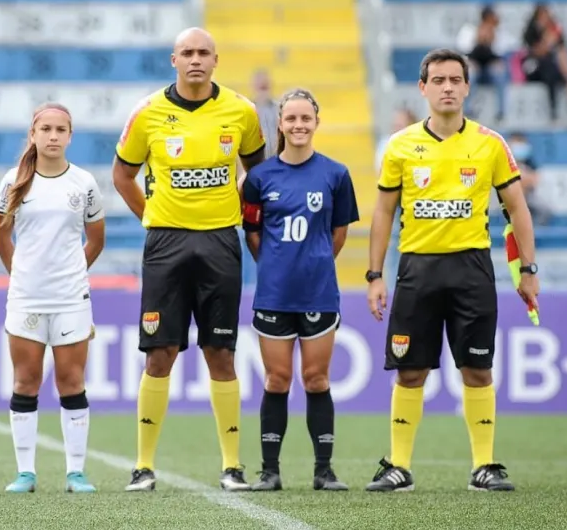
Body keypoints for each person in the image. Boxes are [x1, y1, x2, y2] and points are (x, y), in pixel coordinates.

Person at [365, 48, 539, 492]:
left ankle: (485, 465)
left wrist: (528, 269)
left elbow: (517, 208)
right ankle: (398, 466)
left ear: (466, 87)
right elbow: (383, 212)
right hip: (417, 270)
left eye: (454, 80)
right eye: (437, 80)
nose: (447, 87)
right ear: (422, 88)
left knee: (477, 370)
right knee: (410, 371)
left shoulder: (490, 143)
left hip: (471, 270)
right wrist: (374, 275)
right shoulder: (401, 146)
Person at [112, 27, 266, 492]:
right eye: (187, 53)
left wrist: (245, 217)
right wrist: (152, 218)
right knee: (159, 354)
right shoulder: (148, 112)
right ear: (173, 60)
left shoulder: (242, 111)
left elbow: (260, 176)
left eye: (203, 53)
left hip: (221, 242)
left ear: (216, 60)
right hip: (166, 246)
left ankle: (232, 466)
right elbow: (122, 176)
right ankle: (143, 466)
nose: (195, 60)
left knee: (221, 351)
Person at [241, 89, 359, 492]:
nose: (298, 125)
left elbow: (338, 234)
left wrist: (314, 262)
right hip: (274, 294)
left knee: (316, 379)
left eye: (305, 118)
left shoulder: (336, 174)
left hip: (318, 293)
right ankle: (269, 471)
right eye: (291, 119)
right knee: (277, 379)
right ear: (280, 124)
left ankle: (323, 471)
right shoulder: (259, 178)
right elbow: (253, 235)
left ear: (316, 122)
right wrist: (277, 266)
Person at [0, 103, 105, 494]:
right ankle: (26, 472)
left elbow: (96, 239)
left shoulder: (85, 183)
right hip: (25, 298)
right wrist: (21, 274)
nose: (53, 136)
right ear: (33, 134)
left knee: (71, 381)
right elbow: (3, 238)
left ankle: (76, 472)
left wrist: (73, 272)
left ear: (70, 135)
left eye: (61, 129)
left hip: (72, 298)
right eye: (46, 129)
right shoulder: (13, 181)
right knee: (26, 381)